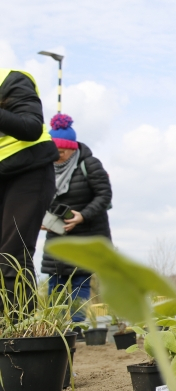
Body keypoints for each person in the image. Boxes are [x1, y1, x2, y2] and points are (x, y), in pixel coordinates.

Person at [40, 114, 112, 318]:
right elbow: (38, 197)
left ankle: (77, 327)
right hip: (58, 235)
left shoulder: (89, 164)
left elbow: (104, 196)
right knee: (56, 283)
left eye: (61, 151)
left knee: (80, 282)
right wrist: (41, 218)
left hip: (86, 235)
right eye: (53, 151)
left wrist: (83, 216)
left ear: (72, 148)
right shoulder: (45, 169)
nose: (57, 155)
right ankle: (55, 325)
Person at [0, 69, 58, 296]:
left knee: (11, 256)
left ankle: (19, 328)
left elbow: (31, 127)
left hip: (29, 172)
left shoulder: (10, 80)